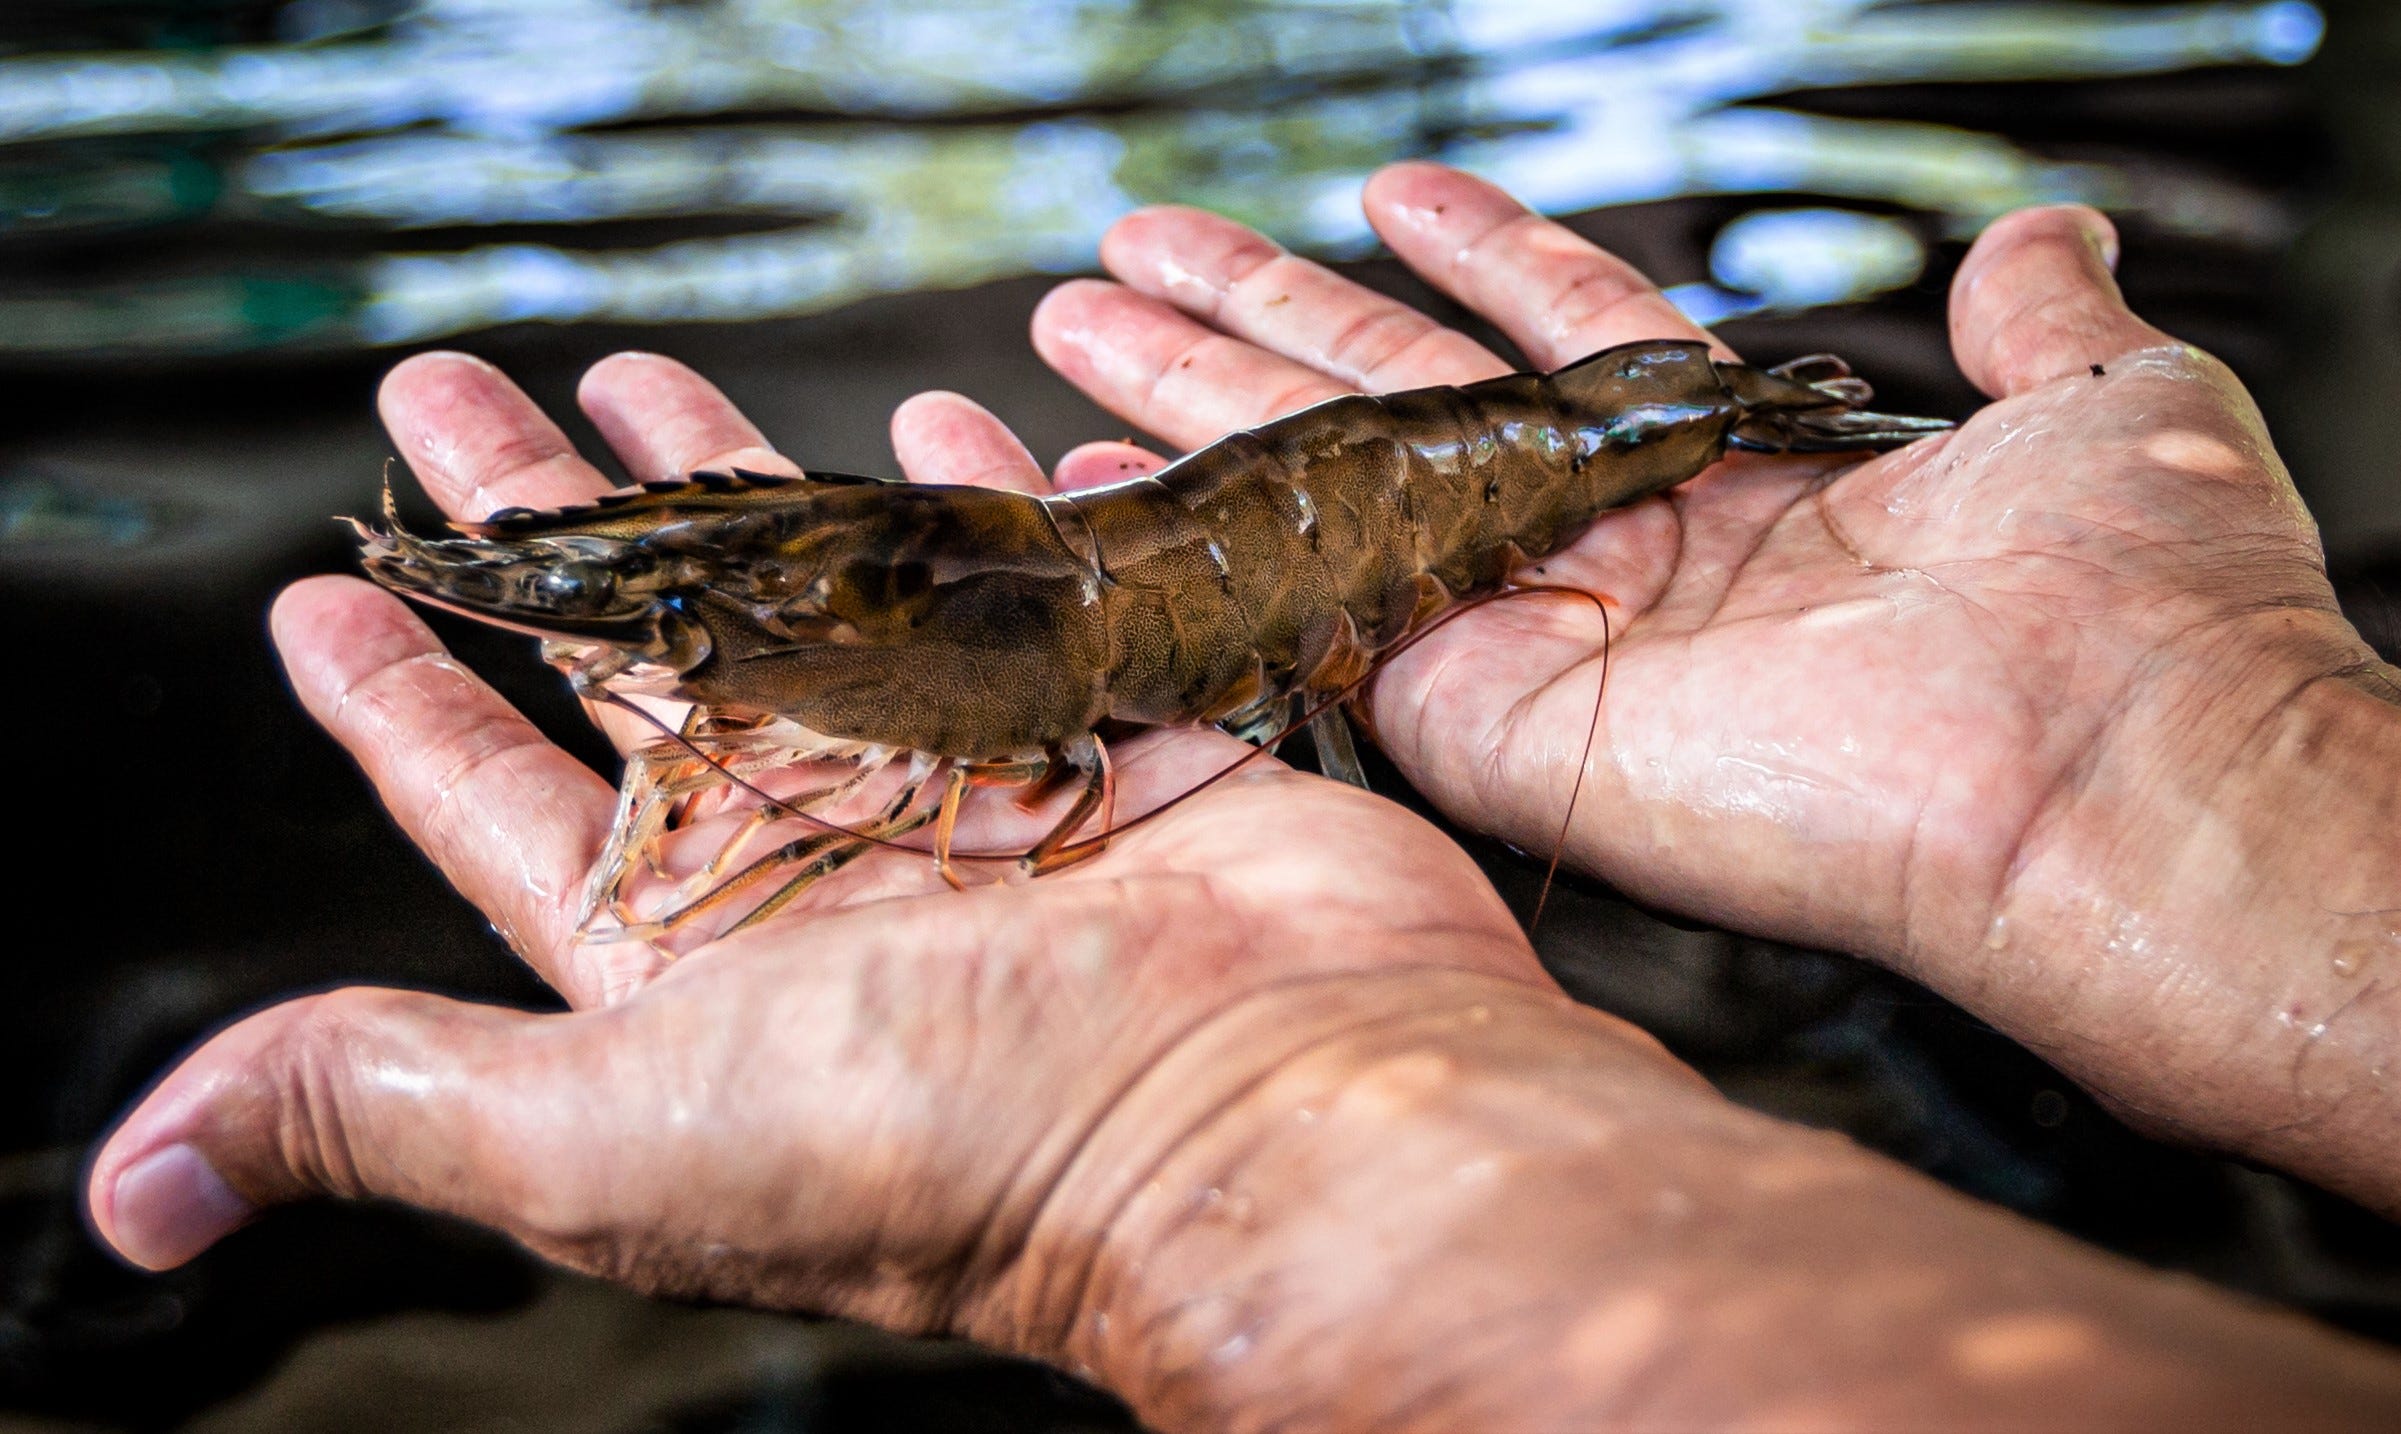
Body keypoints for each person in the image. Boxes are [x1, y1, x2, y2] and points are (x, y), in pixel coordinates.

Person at [86, 164, 2401, 1427]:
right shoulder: (943, 597)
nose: (679, 656)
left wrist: (1166, 1163)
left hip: (1426, 491)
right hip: (1273, 528)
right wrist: (2200, 790)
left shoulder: (1014, 651)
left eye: (687, 628)